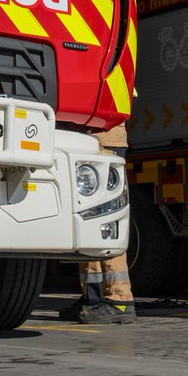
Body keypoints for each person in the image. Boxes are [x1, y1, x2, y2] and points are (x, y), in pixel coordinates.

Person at [57, 121, 136, 324]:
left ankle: (120, 300)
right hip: (91, 138)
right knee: (88, 219)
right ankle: (93, 299)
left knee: (106, 223)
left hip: (103, 138)